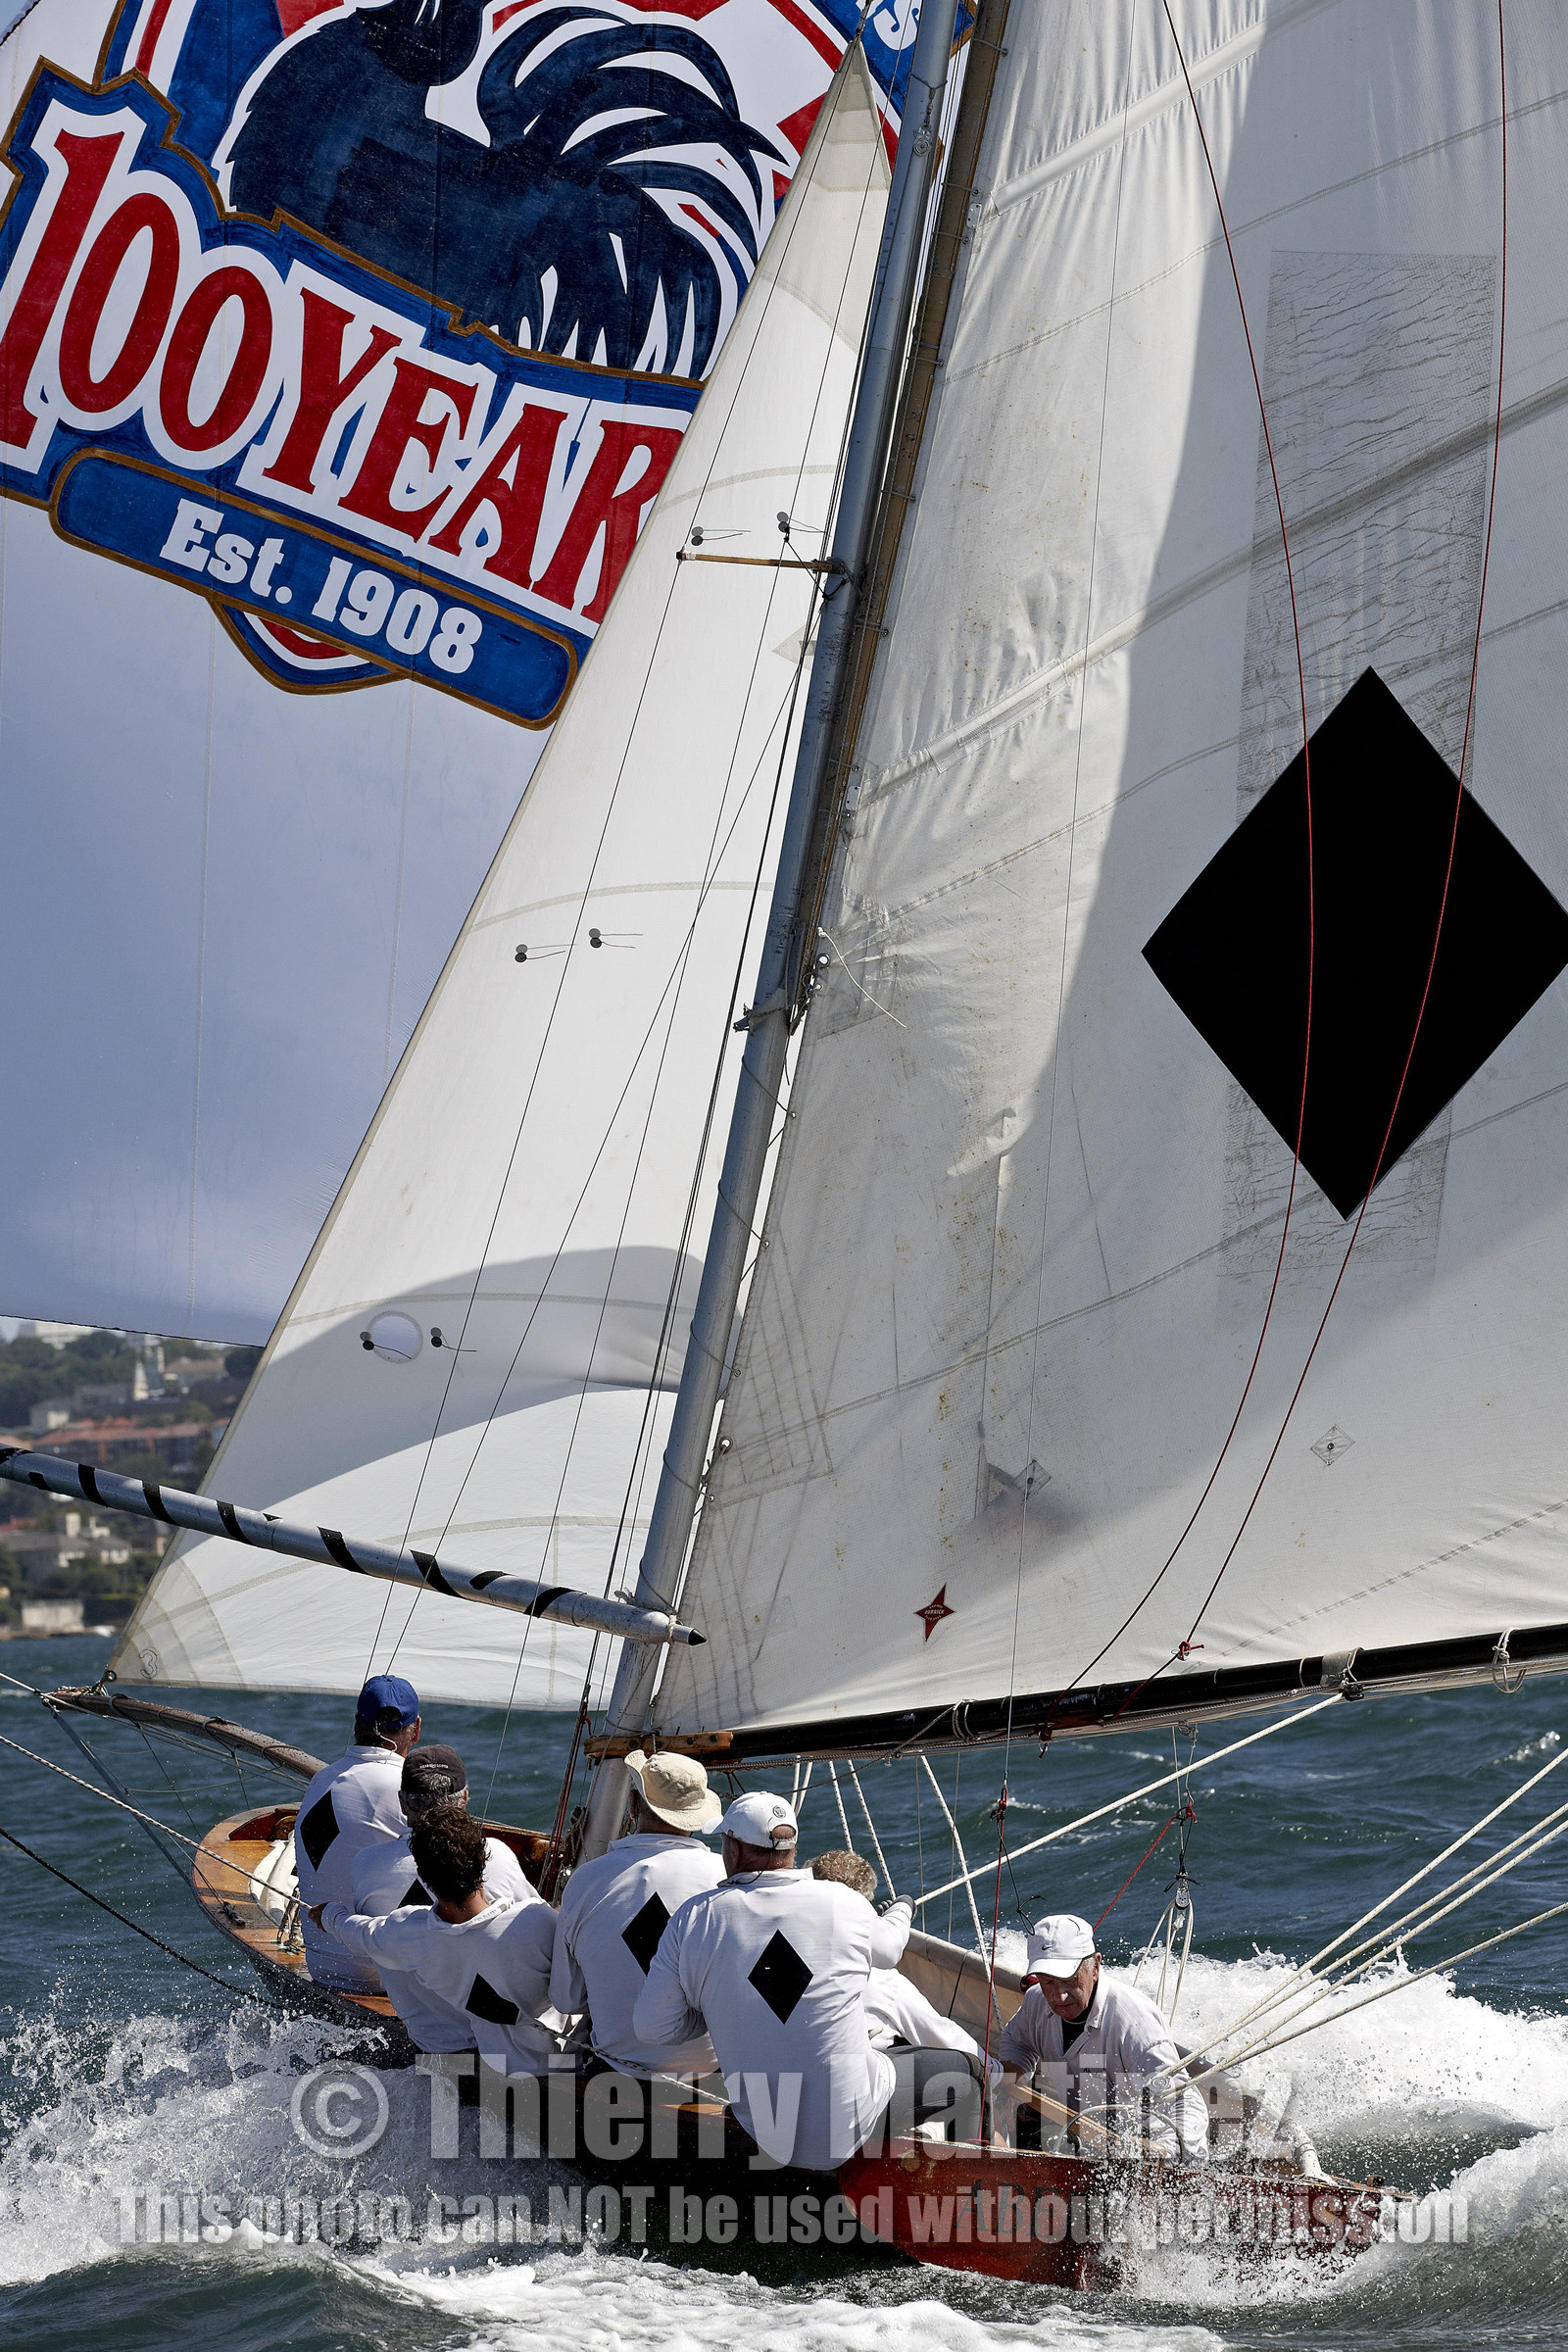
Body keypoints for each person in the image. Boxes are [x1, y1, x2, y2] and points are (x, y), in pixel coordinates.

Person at [633, 1791, 914, 2170]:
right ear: (792, 1849)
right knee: (968, 2072)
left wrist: (716, 2011)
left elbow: (652, 2028)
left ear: (733, 1848)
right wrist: (903, 1908)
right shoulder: (843, 1901)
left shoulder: (693, 1917)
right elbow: (890, 1950)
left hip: (767, 2134)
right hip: (850, 2126)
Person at [310, 1806, 561, 2074]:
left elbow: (360, 1932)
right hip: (568, 2061)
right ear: (483, 1863)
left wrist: (328, 1915)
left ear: (422, 1877)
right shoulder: (537, 1920)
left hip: (504, 2070)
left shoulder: (409, 1935)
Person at [352, 1743, 539, 2053]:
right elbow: (536, 1934)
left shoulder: (365, 1864)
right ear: (464, 1800)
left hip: (434, 2050)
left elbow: (362, 1936)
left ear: (402, 1803)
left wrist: (329, 1915)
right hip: (509, 2050)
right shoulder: (497, 1854)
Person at [550, 1747, 725, 2075]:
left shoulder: (586, 1880)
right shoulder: (726, 1877)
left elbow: (566, 2000)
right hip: (714, 2072)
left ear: (632, 1805)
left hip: (618, 2073)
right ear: (699, 1817)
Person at [996, 1913, 1208, 2164]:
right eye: (1048, 1982)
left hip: (1150, 2155)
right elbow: (1017, 2042)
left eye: (1069, 1980)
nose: (1059, 1996)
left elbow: (1183, 2101)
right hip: (1085, 2141)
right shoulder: (1036, 2001)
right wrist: (1010, 2083)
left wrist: (1164, 2153)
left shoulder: (1132, 2021)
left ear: (1095, 1967)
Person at [808, 1850, 1001, 2079]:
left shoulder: (783, 1963)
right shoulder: (882, 1981)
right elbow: (942, 2035)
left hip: (794, 2082)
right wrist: (999, 2072)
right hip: (856, 2088)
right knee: (969, 2074)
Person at [293, 1674, 421, 1990]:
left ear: (356, 1723)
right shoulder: (408, 1788)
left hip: (323, 1967)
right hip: (387, 1980)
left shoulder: (321, 1780)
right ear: (416, 1729)